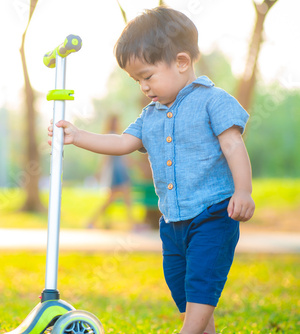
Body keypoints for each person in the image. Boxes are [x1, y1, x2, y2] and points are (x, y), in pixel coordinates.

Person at [48, 6, 255, 334]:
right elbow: (122, 142)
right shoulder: (151, 115)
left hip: (213, 215)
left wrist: (243, 191)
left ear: (182, 62)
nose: (143, 86)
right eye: (137, 80)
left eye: (147, 76)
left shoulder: (213, 100)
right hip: (173, 222)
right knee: (182, 286)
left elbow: (233, 146)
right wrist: (78, 136)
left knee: (201, 283)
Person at [87, 115, 134, 230]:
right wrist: (100, 171)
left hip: (117, 170)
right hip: (117, 171)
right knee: (122, 196)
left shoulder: (113, 134)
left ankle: (92, 221)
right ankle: (133, 224)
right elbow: (108, 156)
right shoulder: (113, 135)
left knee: (114, 198)